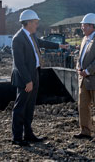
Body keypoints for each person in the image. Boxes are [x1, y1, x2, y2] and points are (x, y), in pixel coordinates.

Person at [11, 9, 68, 146]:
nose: (37, 25)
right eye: (35, 23)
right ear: (29, 23)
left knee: (30, 106)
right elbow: (19, 63)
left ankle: (29, 134)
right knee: (20, 107)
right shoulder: (18, 39)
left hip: (34, 73)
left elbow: (43, 43)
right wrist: (27, 80)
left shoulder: (31, 36)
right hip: (26, 78)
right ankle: (17, 138)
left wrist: (59, 45)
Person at [74, 13, 95, 143]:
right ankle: (85, 131)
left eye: (83, 25)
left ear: (91, 26)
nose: (82, 27)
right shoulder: (84, 39)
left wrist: (88, 71)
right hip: (83, 79)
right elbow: (80, 57)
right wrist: (78, 67)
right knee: (82, 105)